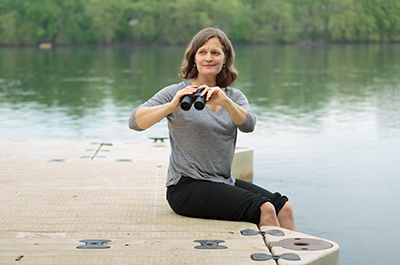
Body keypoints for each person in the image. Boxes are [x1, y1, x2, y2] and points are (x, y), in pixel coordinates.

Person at [129, 27, 297, 231]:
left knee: (283, 208)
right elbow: (135, 122)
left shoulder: (233, 97)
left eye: (215, 53)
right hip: (185, 186)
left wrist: (224, 101)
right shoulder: (176, 92)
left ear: (225, 58)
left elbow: (248, 125)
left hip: (223, 181)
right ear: (193, 58)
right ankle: (276, 261)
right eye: (202, 52)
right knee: (265, 209)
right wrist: (171, 106)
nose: (209, 58)